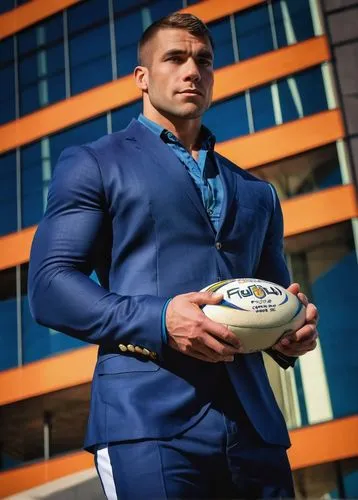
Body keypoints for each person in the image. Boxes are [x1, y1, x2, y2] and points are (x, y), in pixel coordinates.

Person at [28, 12, 319, 500]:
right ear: (142, 77)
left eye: (203, 60)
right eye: (175, 58)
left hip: (255, 431)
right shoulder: (94, 161)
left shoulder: (258, 192)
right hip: (146, 423)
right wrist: (162, 318)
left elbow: (271, 296)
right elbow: (50, 286)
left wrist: (291, 331)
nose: (192, 70)